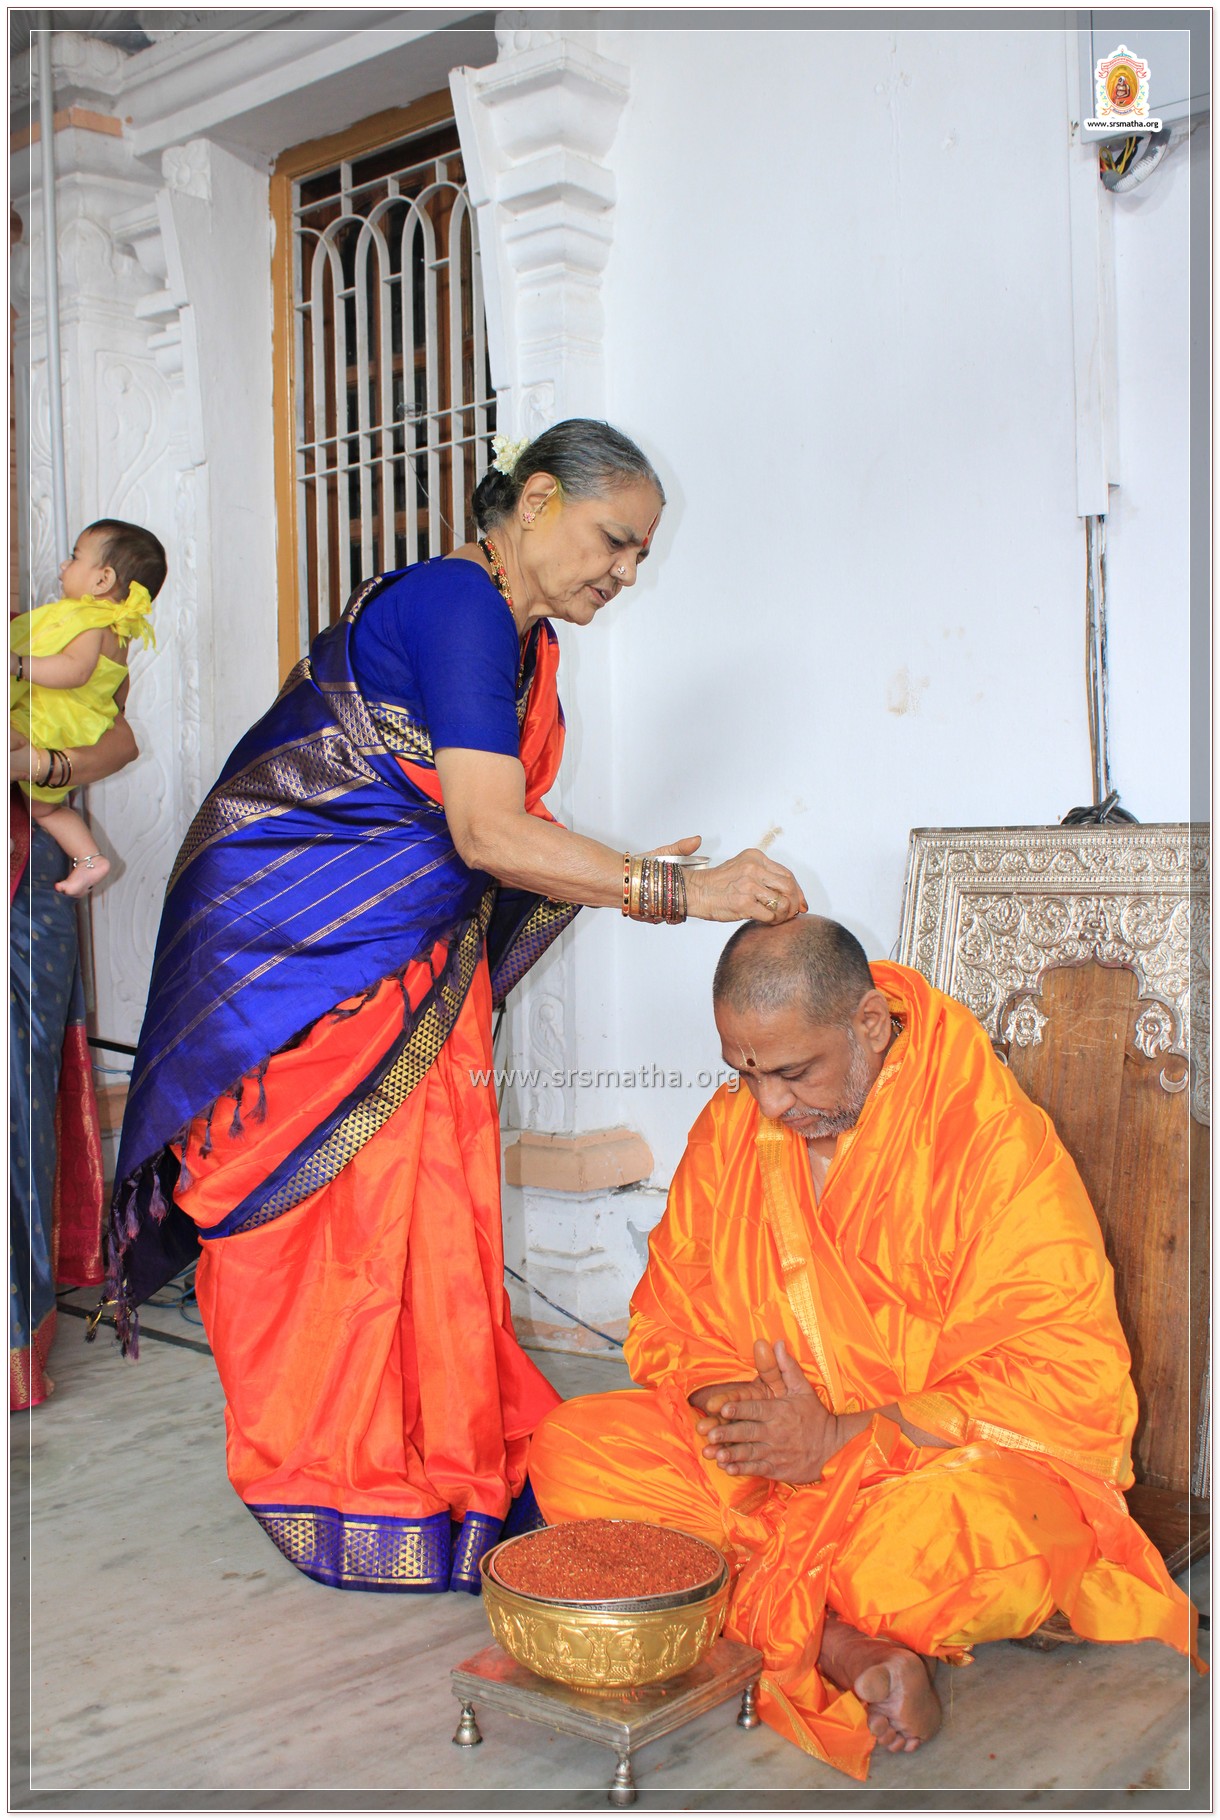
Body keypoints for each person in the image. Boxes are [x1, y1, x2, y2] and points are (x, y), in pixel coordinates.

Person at [107, 419, 807, 1593]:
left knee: (419, 1211)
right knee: (327, 1218)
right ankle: (339, 1473)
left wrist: (602, 867)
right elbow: (485, 832)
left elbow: (475, 842)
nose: (624, 572)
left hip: (395, 962)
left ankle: (435, 1457)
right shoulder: (457, 605)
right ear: (534, 498)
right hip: (300, 961)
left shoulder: (525, 649)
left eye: (639, 554)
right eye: (614, 540)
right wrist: (672, 888)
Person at [528, 914, 1200, 1781]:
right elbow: (670, 1317)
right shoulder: (738, 1122)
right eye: (746, 1071)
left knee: (919, 1557)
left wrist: (840, 1438)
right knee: (573, 1447)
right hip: (763, 1459)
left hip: (924, 1465)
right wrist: (744, 1414)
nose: (768, 1104)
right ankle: (842, 1640)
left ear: (871, 1026)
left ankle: (761, 1599)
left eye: (794, 1072)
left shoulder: (989, 1142)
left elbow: (1057, 1373)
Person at [10, 711, 140, 1409]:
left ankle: (12, 1351)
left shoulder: (33, 637)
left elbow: (118, 742)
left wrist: (36, 767)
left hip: (19, 888)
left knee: (13, 1109)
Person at [10, 519, 164, 897]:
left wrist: (18, 665)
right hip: (67, 731)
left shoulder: (89, 624)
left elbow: (76, 672)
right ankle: (90, 858)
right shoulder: (117, 631)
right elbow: (118, 692)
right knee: (45, 811)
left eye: (74, 558)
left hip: (49, 723)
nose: (64, 567)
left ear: (102, 580)